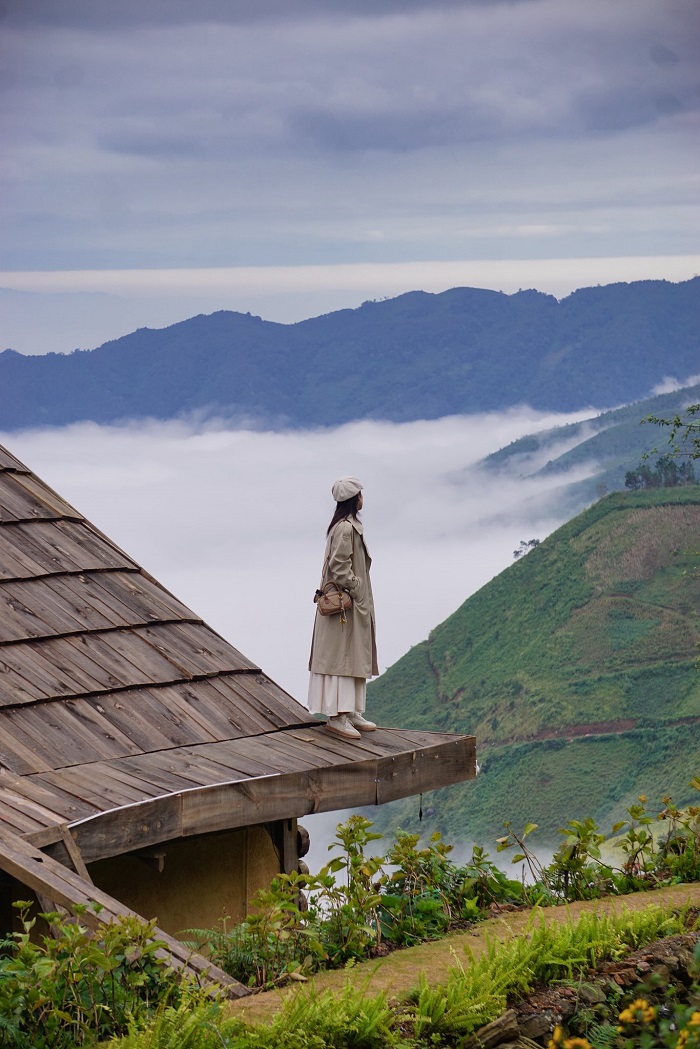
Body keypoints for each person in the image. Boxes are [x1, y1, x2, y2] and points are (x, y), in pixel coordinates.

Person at [308, 476, 379, 739]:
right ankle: (337, 716)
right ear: (354, 499)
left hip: (350, 606)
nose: (363, 498)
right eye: (360, 493)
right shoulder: (347, 528)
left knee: (351, 656)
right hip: (345, 605)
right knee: (341, 658)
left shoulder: (344, 525)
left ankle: (349, 711)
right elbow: (339, 567)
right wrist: (356, 585)